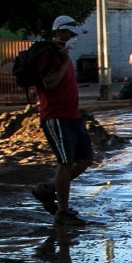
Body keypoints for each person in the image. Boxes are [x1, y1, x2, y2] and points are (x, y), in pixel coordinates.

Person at [31, 15, 94, 228]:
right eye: (71, 33)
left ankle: (50, 189)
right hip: (56, 116)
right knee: (65, 163)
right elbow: (48, 83)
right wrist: (64, 61)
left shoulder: (62, 53)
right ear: (59, 32)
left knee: (85, 159)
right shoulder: (49, 54)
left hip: (72, 116)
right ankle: (63, 211)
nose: (74, 37)